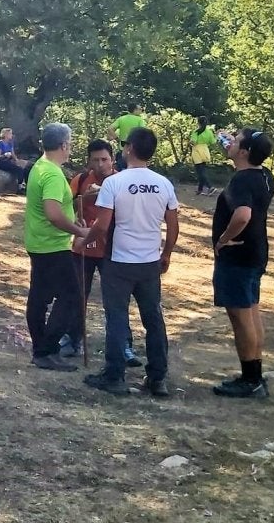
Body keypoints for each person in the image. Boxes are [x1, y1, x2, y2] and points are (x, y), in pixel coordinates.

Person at [82, 127, 178, 398]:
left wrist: (83, 241)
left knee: (116, 317)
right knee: (154, 319)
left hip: (119, 260)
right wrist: (166, 253)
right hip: (149, 261)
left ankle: (114, 375)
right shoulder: (164, 184)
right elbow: (172, 225)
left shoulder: (115, 183)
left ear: (129, 149)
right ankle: (158, 377)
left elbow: (102, 225)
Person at [211, 128, 274, 398]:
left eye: (236, 142)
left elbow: (242, 215)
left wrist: (224, 239)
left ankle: (250, 380)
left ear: (245, 152)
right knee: (252, 312)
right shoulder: (265, 175)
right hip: (256, 252)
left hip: (237, 257)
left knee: (241, 318)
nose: (231, 143)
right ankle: (255, 374)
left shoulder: (242, 181)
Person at [24, 123, 89, 371]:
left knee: (39, 297)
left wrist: (71, 218)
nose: (70, 147)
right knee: (71, 296)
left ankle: (40, 350)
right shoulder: (51, 173)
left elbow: (52, 209)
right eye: (70, 143)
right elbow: (52, 213)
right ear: (64, 145)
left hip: (38, 241)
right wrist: (78, 230)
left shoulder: (39, 167)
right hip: (52, 245)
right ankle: (47, 349)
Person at [61, 140, 126, 362]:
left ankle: (124, 345)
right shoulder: (80, 180)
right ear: (88, 161)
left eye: (104, 159)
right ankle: (72, 339)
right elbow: (64, 204)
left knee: (116, 299)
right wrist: (78, 208)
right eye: (95, 160)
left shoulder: (122, 181)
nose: (100, 164)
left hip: (113, 248)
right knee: (78, 295)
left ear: (113, 160)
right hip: (83, 247)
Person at [109, 105, 145, 171]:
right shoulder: (139, 120)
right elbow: (143, 133)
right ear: (135, 110)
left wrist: (117, 138)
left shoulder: (121, 119)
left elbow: (110, 128)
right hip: (135, 151)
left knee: (120, 172)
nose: (141, 111)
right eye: (140, 109)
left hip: (123, 149)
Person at [191, 116, 219, 196]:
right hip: (205, 150)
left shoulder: (196, 132)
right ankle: (200, 190)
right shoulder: (209, 132)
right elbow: (213, 142)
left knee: (200, 172)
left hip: (197, 151)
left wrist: (191, 142)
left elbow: (193, 142)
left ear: (198, 122)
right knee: (202, 170)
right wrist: (216, 136)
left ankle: (210, 187)